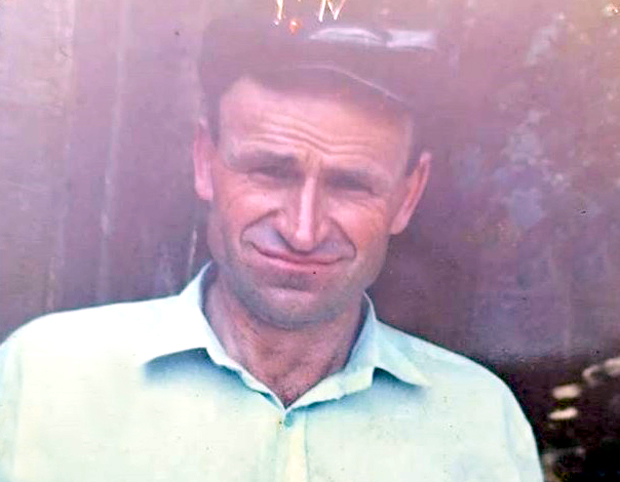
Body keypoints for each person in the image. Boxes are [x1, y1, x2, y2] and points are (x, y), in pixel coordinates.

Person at [0, 1, 544, 480]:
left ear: (408, 195)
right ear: (205, 161)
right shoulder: (43, 381)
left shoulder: (479, 423)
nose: (302, 231)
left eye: (351, 185)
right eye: (269, 172)